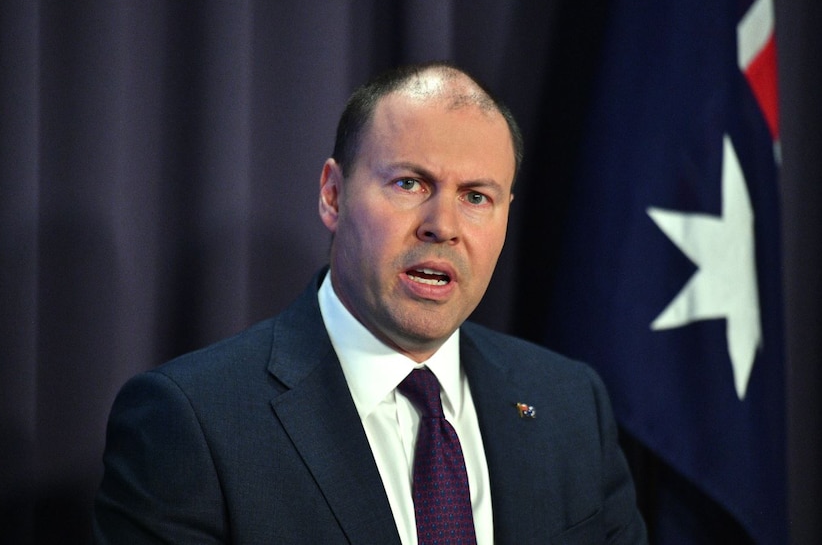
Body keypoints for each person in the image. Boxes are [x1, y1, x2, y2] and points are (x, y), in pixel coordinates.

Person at [93, 61, 647, 544]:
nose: (443, 227)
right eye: (410, 184)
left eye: (476, 196)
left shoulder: (571, 404)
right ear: (333, 195)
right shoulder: (192, 423)